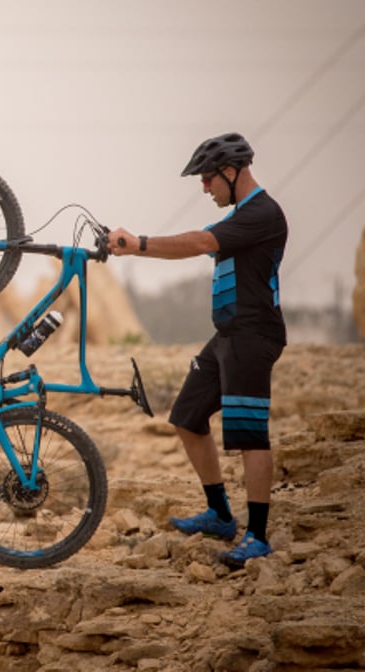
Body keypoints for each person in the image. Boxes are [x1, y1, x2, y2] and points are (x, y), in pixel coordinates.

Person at [108, 132, 287, 568]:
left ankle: (258, 536)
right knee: (188, 417)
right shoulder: (243, 214)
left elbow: (201, 243)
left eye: (208, 178)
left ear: (232, 172)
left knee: (249, 435)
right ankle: (221, 514)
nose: (204, 187)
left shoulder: (262, 213)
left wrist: (140, 245)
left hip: (253, 335)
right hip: (226, 335)